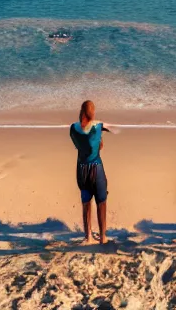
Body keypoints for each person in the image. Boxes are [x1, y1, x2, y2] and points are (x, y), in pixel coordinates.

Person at [69, 100, 114, 245]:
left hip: (81, 169)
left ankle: (88, 236)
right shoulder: (98, 126)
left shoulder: (72, 129)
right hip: (96, 167)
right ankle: (103, 237)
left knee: (86, 201)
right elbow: (103, 138)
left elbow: (81, 143)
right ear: (93, 113)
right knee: (101, 201)